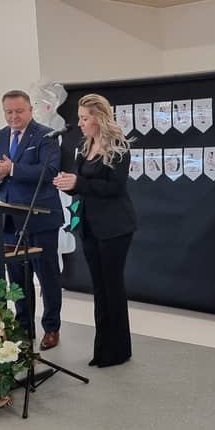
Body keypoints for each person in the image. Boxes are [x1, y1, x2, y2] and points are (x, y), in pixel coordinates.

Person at [0, 90, 64, 350]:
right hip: (8, 221)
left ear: (30, 110)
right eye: (9, 112)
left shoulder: (46, 135)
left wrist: (12, 168)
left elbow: (49, 170)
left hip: (40, 218)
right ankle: (24, 327)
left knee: (47, 277)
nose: (14, 116)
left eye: (19, 111)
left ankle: (51, 328)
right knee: (17, 279)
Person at [53, 93, 136, 368]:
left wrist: (79, 183)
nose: (80, 123)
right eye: (79, 118)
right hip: (89, 226)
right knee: (99, 289)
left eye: (84, 118)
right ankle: (102, 348)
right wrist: (68, 183)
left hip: (114, 227)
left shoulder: (119, 147)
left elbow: (115, 187)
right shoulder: (85, 146)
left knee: (113, 287)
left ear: (99, 118)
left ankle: (119, 350)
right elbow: (83, 184)